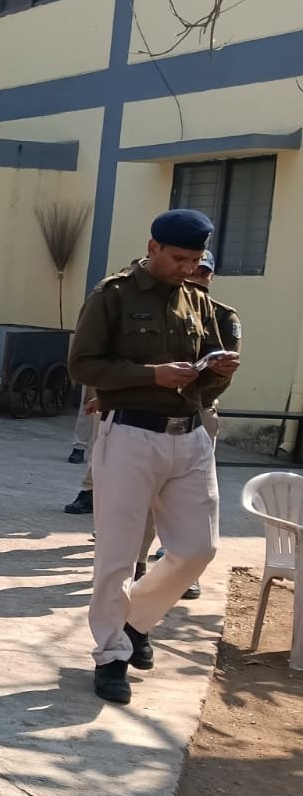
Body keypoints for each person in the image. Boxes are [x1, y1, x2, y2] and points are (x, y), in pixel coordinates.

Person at [68, 208, 240, 705]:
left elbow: (207, 371)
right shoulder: (113, 295)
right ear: (153, 247)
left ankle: (135, 621)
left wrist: (218, 371)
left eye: (195, 260)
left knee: (198, 550)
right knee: (118, 556)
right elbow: (82, 365)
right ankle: (110, 655)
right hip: (131, 435)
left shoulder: (197, 300)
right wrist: (152, 375)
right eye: (179, 258)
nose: (188, 268)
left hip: (190, 435)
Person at [132, 249, 238, 599]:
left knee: (189, 501)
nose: (197, 276)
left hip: (198, 412)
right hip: (152, 412)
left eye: (204, 271)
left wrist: (194, 398)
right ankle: (138, 563)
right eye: (193, 269)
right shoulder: (157, 308)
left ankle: (180, 568)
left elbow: (223, 374)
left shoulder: (221, 315)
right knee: (148, 495)